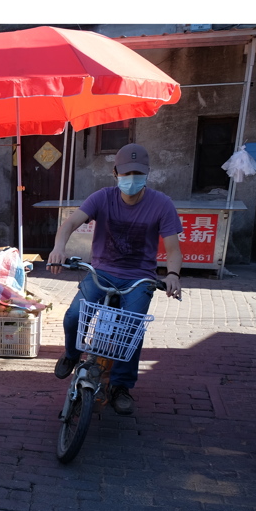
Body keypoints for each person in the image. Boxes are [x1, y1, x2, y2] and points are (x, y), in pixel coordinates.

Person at [46, 142, 184, 416]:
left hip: (139, 278)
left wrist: (172, 275)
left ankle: (121, 386)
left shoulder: (161, 204)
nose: (131, 179)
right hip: (102, 271)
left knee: (130, 331)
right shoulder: (102, 197)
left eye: (137, 173)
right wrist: (59, 247)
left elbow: (173, 250)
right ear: (115, 173)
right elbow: (70, 223)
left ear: (147, 173)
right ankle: (72, 354)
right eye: (126, 173)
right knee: (74, 315)